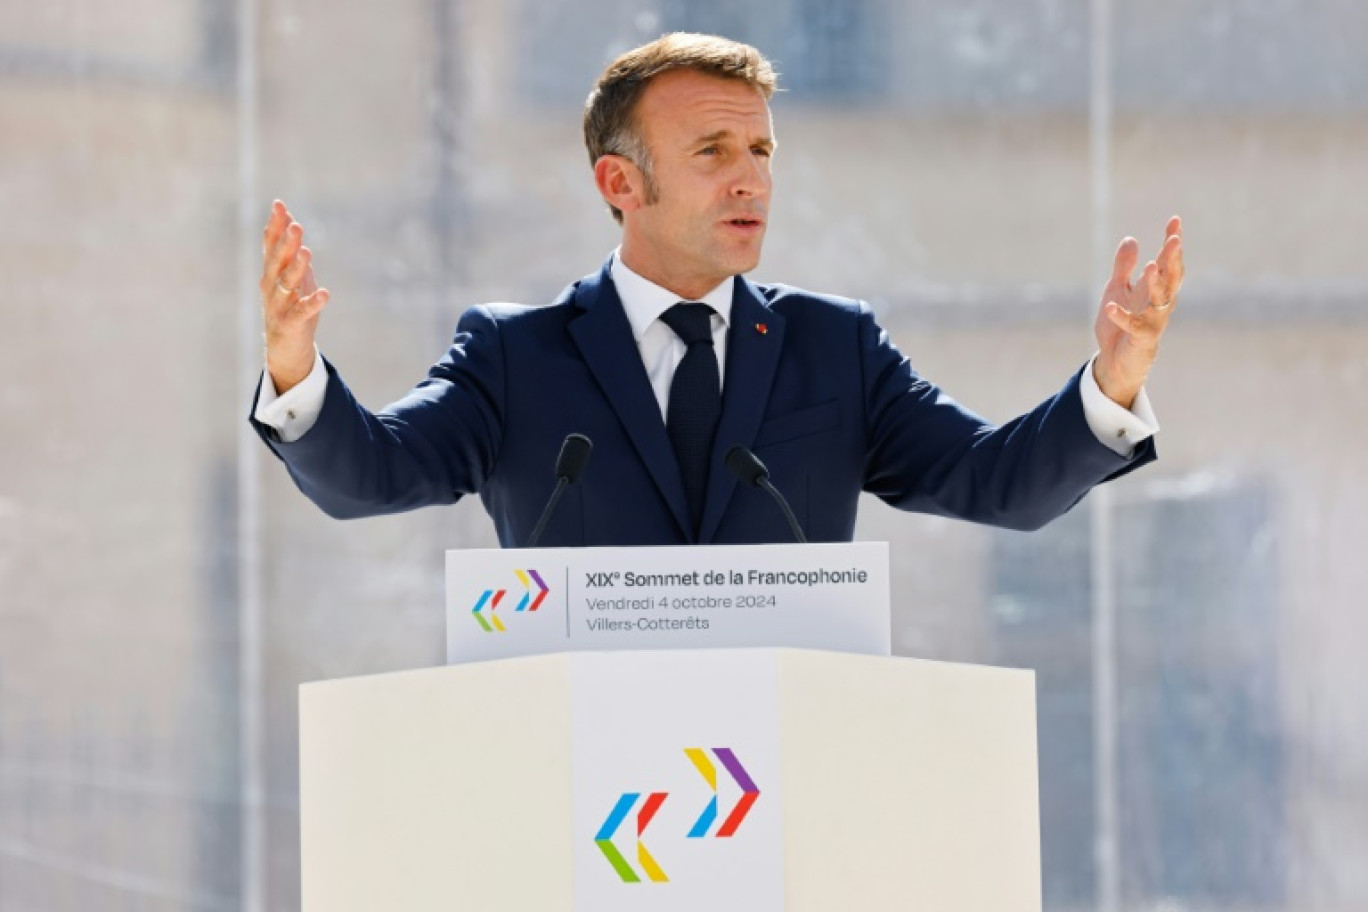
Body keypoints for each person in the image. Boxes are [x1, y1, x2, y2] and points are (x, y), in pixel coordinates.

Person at [250, 33, 1182, 548]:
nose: (752, 180)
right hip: (586, 808)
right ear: (620, 184)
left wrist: (1112, 381)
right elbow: (369, 479)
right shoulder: (516, 358)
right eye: (713, 153)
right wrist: (297, 371)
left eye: (762, 152)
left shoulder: (837, 350)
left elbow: (1000, 484)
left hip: (786, 796)